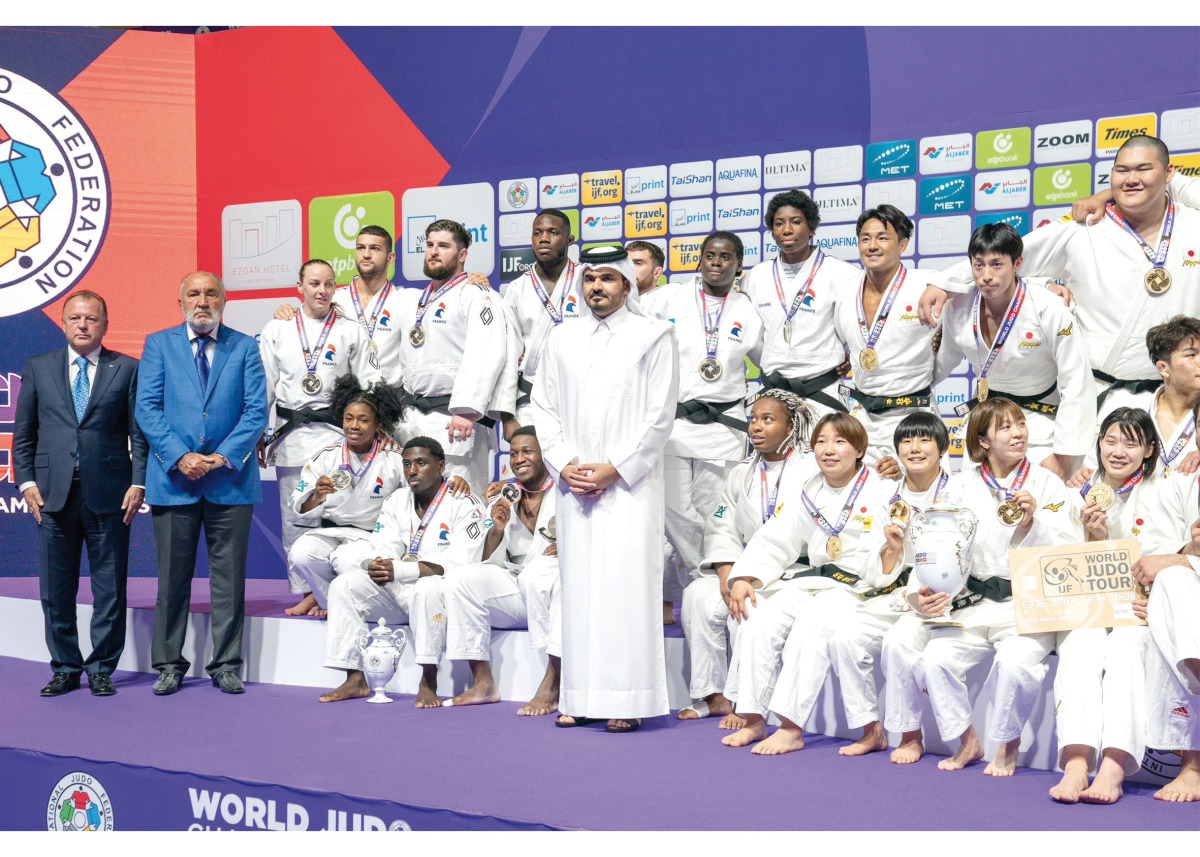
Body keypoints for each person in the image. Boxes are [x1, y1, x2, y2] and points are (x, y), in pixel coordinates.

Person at [921, 135, 1200, 425]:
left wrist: (1111, 193)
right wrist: (944, 282)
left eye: (1144, 169)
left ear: (1169, 173)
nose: (1131, 179)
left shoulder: (1194, 224)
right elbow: (1006, 258)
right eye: (1122, 170)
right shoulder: (1082, 229)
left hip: (1182, 396)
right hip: (1100, 398)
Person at [529, 243, 679, 733]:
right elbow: (543, 408)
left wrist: (617, 467)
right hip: (575, 486)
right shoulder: (561, 338)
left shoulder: (653, 335)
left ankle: (628, 699)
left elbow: (660, 416)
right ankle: (579, 694)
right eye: (589, 278)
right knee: (579, 590)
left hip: (629, 488)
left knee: (626, 588)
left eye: (608, 279)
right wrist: (564, 463)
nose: (597, 287)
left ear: (627, 284)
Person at [721, 413, 904, 755]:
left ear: (860, 449)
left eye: (839, 442)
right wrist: (745, 576)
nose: (828, 450)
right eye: (821, 442)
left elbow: (896, 545)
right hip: (815, 581)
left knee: (812, 627)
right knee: (758, 617)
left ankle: (791, 727)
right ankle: (753, 718)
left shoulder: (883, 487)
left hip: (861, 586)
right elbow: (777, 538)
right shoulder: (809, 490)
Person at [916, 398, 1076, 774]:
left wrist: (1031, 525)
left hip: (1028, 604)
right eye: (1005, 427)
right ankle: (967, 739)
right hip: (972, 601)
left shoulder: (1046, 481)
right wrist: (923, 589)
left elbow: (1069, 546)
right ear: (982, 440)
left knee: (1014, 666)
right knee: (934, 661)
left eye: (1020, 424)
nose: (1018, 432)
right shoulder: (959, 486)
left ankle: (1008, 743)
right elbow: (936, 542)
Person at [136, 272, 269, 695]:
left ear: (224, 301)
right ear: (181, 302)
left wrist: (220, 457)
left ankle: (226, 664)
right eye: (194, 293)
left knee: (228, 580)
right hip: (175, 480)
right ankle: (169, 665)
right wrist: (181, 456)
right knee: (171, 579)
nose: (202, 300)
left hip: (229, 479)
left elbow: (255, 412)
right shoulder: (159, 345)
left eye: (211, 293)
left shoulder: (246, 347)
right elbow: (148, 408)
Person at [13, 290, 148, 697]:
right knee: (56, 590)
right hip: (53, 495)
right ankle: (66, 667)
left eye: (91, 319)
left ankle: (103, 667)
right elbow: (24, 434)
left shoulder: (126, 369)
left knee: (110, 588)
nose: (83, 325)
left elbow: (138, 436)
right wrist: (27, 482)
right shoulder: (39, 367)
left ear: (105, 325)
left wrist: (138, 482)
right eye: (75, 318)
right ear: (65, 323)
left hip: (110, 494)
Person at [643, 231, 764, 634]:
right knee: (674, 511)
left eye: (725, 256)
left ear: (737, 264)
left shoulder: (747, 310)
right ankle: (709, 579)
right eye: (709, 255)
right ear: (699, 260)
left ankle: (709, 590)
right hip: (673, 428)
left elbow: (771, 363)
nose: (716, 262)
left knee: (718, 515)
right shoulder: (667, 298)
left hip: (723, 430)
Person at [678, 389, 815, 723]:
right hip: (741, 568)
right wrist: (727, 573)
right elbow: (721, 527)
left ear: (791, 427)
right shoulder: (741, 472)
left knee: (748, 605)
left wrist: (744, 578)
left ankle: (744, 702)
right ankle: (714, 695)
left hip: (790, 571)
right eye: (753, 418)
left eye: (768, 420)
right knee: (697, 595)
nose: (756, 427)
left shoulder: (813, 468)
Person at [318, 436, 485, 707]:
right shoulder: (397, 499)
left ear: (441, 465)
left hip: (441, 595)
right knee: (345, 584)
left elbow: (460, 560)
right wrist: (379, 564)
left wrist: (401, 570)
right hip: (400, 590)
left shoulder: (462, 501)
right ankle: (354, 677)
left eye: (421, 463)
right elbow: (384, 545)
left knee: (427, 587)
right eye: (407, 464)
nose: (412, 471)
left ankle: (428, 679)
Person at [258, 259, 379, 616]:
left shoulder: (350, 331)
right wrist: (257, 435)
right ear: (300, 287)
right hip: (291, 436)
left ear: (336, 288)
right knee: (295, 517)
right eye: (314, 284)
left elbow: (368, 383)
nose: (321, 291)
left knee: (336, 516)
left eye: (328, 284)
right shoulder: (277, 329)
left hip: (337, 437)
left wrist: (375, 430)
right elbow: (263, 387)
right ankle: (307, 591)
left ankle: (329, 590)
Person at [1050, 407, 1158, 804]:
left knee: (1126, 650)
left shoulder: (1162, 489)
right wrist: (1091, 537)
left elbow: (1167, 554)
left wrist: (1110, 536)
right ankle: (1077, 764)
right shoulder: (1075, 490)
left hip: (1138, 606)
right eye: (1110, 440)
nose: (1118, 451)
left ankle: (1113, 767)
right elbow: (1057, 558)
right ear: (1097, 444)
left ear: (1148, 449)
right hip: (1088, 604)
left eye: (1130, 443)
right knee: (1079, 645)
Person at [829, 411, 950, 758]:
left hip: (938, 592)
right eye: (906, 441)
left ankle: (910, 735)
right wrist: (891, 549)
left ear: (941, 448)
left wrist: (915, 591)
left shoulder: (956, 491)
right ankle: (870, 729)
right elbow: (869, 558)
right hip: (889, 590)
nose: (914, 448)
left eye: (924, 440)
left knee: (898, 642)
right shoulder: (884, 494)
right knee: (844, 639)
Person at [934, 223, 1095, 479]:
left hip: (1038, 424)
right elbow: (942, 364)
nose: (986, 275)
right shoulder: (959, 307)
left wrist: (1064, 457)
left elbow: (1077, 382)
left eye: (997, 264)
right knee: (975, 506)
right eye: (979, 265)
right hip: (984, 423)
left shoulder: (1048, 308)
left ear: (1017, 263)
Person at [441, 427, 561, 712]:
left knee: (545, 573)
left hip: (558, 590)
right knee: (460, 578)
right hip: (519, 588)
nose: (519, 459)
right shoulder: (504, 496)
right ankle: (483, 683)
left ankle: (553, 683)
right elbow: (488, 559)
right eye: (514, 453)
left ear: (546, 455)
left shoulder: (565, 490)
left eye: (528, 451)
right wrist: (496, 529)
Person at [396, 219, 507, 494]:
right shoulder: (412, 301)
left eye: (443, 246)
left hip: (455, 422)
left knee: (459, 508)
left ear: (462, 255)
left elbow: (486, 352)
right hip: (412, 421)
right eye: (430, 245)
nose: (434, 251)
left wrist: (466, 410)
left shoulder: (476, 295)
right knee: (414, 513)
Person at [287, 375, 406, 615]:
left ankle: (339, 605)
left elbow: (414, 495)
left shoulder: (393, 460)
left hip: (372, 536)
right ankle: (329, 602)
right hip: (330, 530)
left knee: (345, 559)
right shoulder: (326, 456)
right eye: (349, 418)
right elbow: (299, 504)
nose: (354, 426)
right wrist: (317, 495)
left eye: (363, 420)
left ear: (378, 424)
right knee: (301, 554)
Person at [835, 206, 940, 465]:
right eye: (865, 238)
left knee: (921, 502)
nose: (872, 246)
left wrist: (1047, 285)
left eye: (883, 238)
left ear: (903, 245)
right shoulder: (845, 292)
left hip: (915, 416)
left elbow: (988, 280)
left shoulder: (928, 284)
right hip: (863, 420)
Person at [1135, 393, 1200, 802]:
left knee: (1173, 585)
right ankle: (1192, 764)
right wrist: (1185, 556)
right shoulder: (1186, 475)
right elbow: (1173, 550)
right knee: (1170, 590)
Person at [741, 189, 857, 418]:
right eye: (778, 223)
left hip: (824, 390)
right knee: (774, 454)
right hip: (774, 393)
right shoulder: (756, 277)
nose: (786, 230)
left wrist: (852, 353)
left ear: (812, 228)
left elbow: (858, 326)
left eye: (796, 222)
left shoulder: (842, 273)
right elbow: (749, 334)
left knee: (826, 453)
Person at [496, 210, 581, 434]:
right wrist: (507, 416)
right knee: (531, 467)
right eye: (537, 233)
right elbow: (508, 353)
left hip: (579, 396)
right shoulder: (517, 288)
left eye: (553, 232)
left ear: (569, 240)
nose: (544, 238)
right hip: (529, 398)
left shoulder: (586, 281)